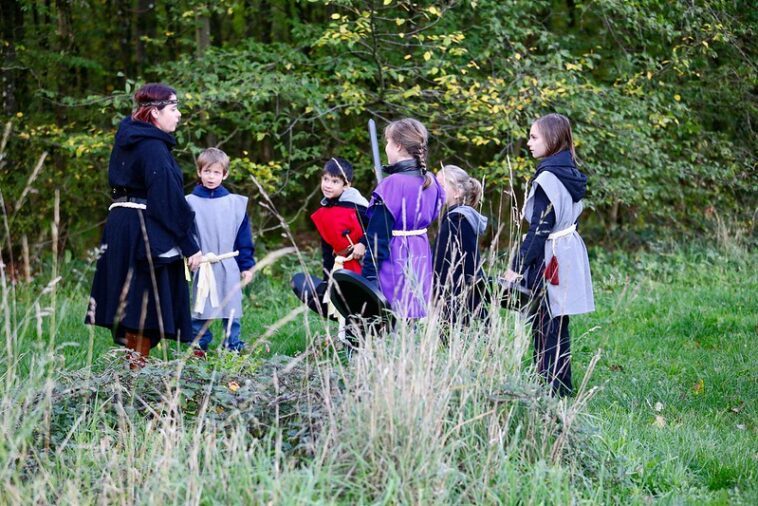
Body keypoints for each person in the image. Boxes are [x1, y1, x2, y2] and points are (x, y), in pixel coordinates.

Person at [86, 82, 202, 369]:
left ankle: (134, 371)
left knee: (136, 304)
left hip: (121, 225)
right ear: (154, 113)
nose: (178, 116)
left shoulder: (129, 140)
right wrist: (190, 246)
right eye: (173, 109)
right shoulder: (152, 148)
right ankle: (137, 377)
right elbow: (167, 199)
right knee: (143, 305)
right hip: (141, 230)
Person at [503, 113, 595, 396]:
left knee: (545, 321)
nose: (528, 143)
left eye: (534, 137)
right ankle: (560, 384)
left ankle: (548, 387)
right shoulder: (570, 172)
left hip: (550, 257)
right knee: (557, 320)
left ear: (552, 140)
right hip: (566, 251)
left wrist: (516, 267)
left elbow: (539, 229)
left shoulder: (548, 177)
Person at [356, 118, 445, 319]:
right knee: (414, 317)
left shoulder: (392, 185)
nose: (386, 148)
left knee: (392, 318)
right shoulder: (431, 182)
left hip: (395, 257)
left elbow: (377, 239)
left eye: (387, 142)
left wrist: (368, 278)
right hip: (421, 253)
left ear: (397, 146)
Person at [186, 148, 255, 354]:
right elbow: (185, 233)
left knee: (231, 308)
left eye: (216, 172)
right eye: (207, 171)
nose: (211, 177)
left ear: (225, 174)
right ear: (199, 172)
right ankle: (198, 347)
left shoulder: (235, 203)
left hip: (228, 263)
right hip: (202, 263)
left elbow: (244, 238)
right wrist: (191, 253)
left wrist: (247, 265)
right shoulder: (189, 202)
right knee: (200, 308)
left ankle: (232, 347)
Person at [291, 157, 368, 318]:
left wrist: (362, 243)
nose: (327, 184)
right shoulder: (326, 211)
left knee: (362, 307)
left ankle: (364, 339)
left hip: (365, 266)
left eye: (334, 181)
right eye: (325, 179)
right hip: (340, 267)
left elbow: (377, 230)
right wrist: (328, 278)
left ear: (346, 185)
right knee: (342, 307)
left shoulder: (359, 207)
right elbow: (327, 249)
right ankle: (345, 339)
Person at [433, 165, 488, 325]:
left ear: (457, 193)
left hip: (456, 300)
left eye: (441, 187)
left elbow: (443, 264)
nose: (436, 191)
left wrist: (437, 295)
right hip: (464, 297)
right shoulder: (459, 218)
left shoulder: (456, 220)